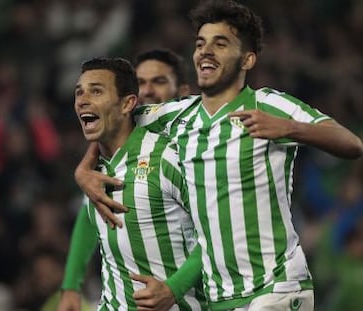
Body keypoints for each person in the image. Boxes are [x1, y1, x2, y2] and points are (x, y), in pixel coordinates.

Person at [74, 1, 363, 310]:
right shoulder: (176, 115)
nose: (205, 51)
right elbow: (114, 119)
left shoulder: (267, 104)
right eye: (201, 44)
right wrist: (84, 171)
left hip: (275, 288)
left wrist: (288, 128)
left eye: (220, 44)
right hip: (220, 298)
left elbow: (350, 143)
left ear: (247, 60)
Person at [57, 57, 206, 311]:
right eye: (79, 92)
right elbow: (86, 220)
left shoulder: (168, 158)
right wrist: (71, 286)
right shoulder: (96, 171)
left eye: (96, 91)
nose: (82, 100)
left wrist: (174, 288)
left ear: (127, 104)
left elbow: (218, 236)